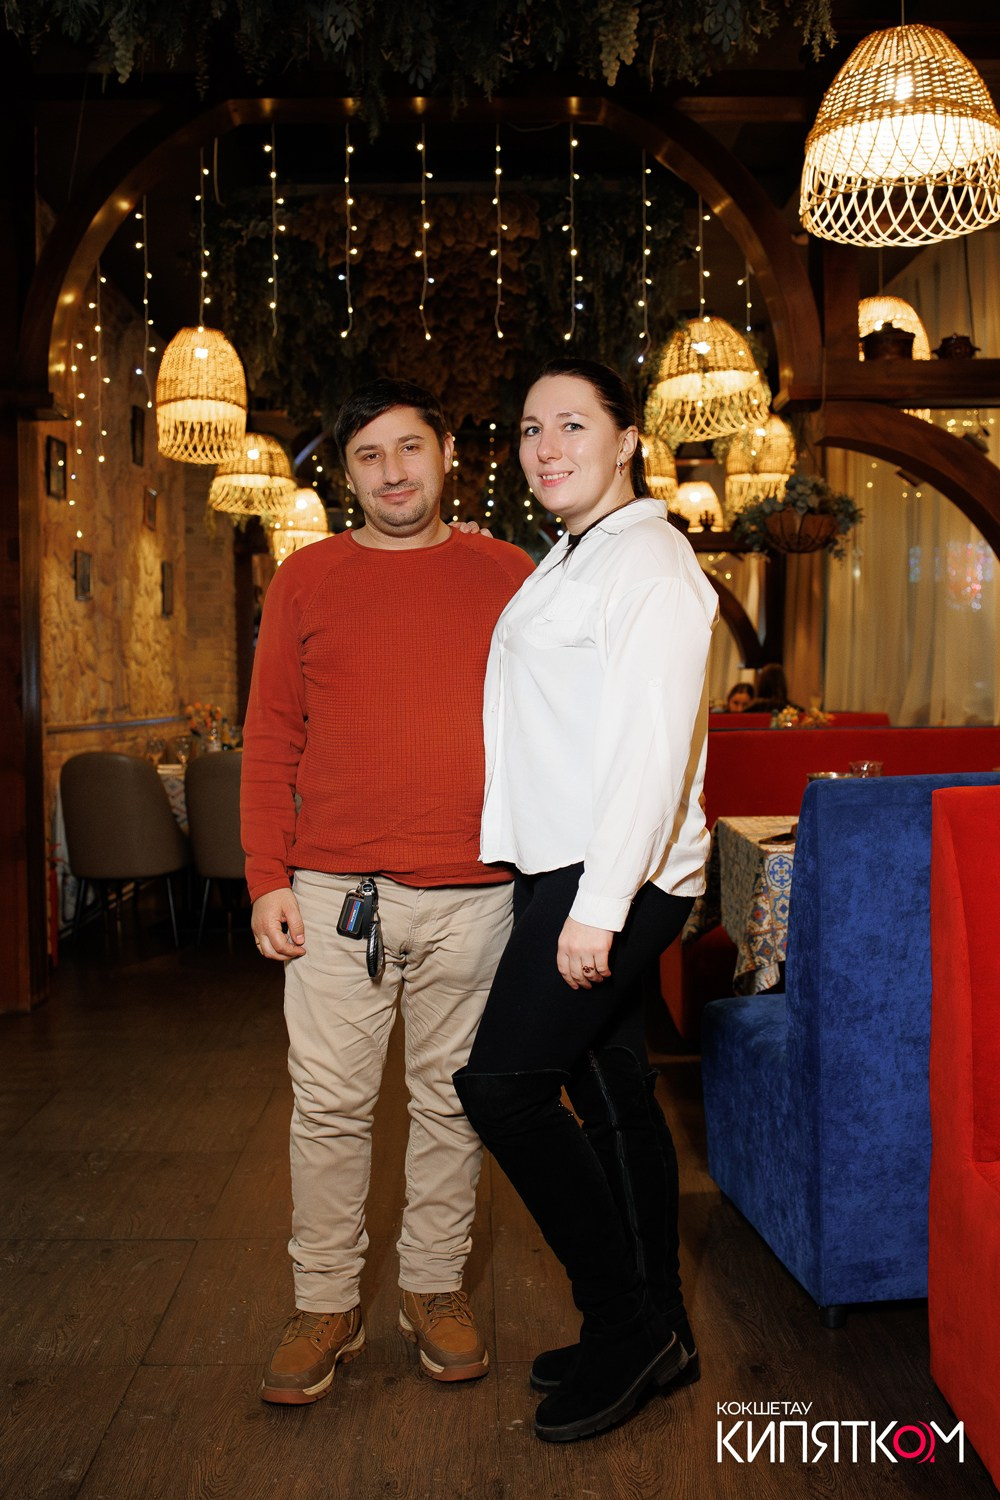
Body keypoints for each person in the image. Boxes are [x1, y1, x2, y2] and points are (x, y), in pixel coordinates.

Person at [241, 377, 533, 1406]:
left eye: (409, 448)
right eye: (368, 455)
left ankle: (433, 1287)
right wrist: (265, 877)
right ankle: (326, 1301)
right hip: (332, 893)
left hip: (477, 893)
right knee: (328, 1108)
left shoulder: (510, 574)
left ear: (446, 453)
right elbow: (271, 734)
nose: (392, 472)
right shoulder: (306, 579)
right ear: (346, 472)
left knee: (453, 1103)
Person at [453, 357, 718, 1444]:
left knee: (502, 1090)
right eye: (530, 428)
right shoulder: (574, 555)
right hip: (566, 865)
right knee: (611, 1094)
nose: (547, 446)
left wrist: (598, 906)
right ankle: (662, 1326)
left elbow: (652, 754)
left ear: (628, 440)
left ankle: (622, 1326)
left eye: (573, 424)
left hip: (613, 872)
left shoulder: (648, 561)